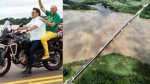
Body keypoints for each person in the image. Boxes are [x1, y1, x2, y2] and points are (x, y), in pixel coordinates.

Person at [15, 8, 46, 74]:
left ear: (37, 13)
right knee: (25, 47)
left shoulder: (40, 19)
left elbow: (34, 27)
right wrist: (15, 29)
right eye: (31, 12)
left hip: (39, 38)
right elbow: (26, 26)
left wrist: (27, 30)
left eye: (33, 12)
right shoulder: (33, 20)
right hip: (32, 38)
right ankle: (26, 61)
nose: (31, 13)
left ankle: (29, 69)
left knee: (31, 50)